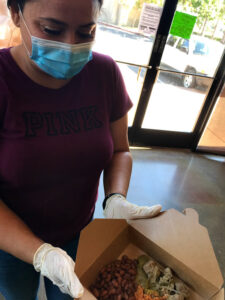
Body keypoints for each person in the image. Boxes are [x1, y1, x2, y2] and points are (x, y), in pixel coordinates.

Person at [0, 0, 162, 299]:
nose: (71, 46)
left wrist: (115, 197)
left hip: (79, 233)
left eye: (86, 31)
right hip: (9, 244)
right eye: (51, 29)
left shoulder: (104, 73)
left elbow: (119, 151)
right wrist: (40, 254)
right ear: (14, 13)